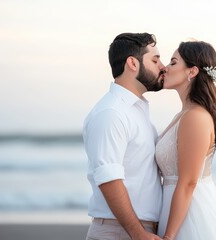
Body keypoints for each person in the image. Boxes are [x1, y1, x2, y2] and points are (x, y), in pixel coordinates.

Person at [83, 32, 166, 240]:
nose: (163, 66)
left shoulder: (135, 111)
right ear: (132, 63)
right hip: (120, 231)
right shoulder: (111, 113)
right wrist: (137, 232)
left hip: (134, 229)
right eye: (155, 60)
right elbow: (109, 178)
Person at [155, 40, 216, 239]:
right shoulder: (184, 114)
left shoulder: (195, 117)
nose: (165, 68)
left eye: (173, 62)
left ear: (192, 72)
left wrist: (168, 237)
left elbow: (188, 183)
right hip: (176, 211)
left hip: (192, 216)